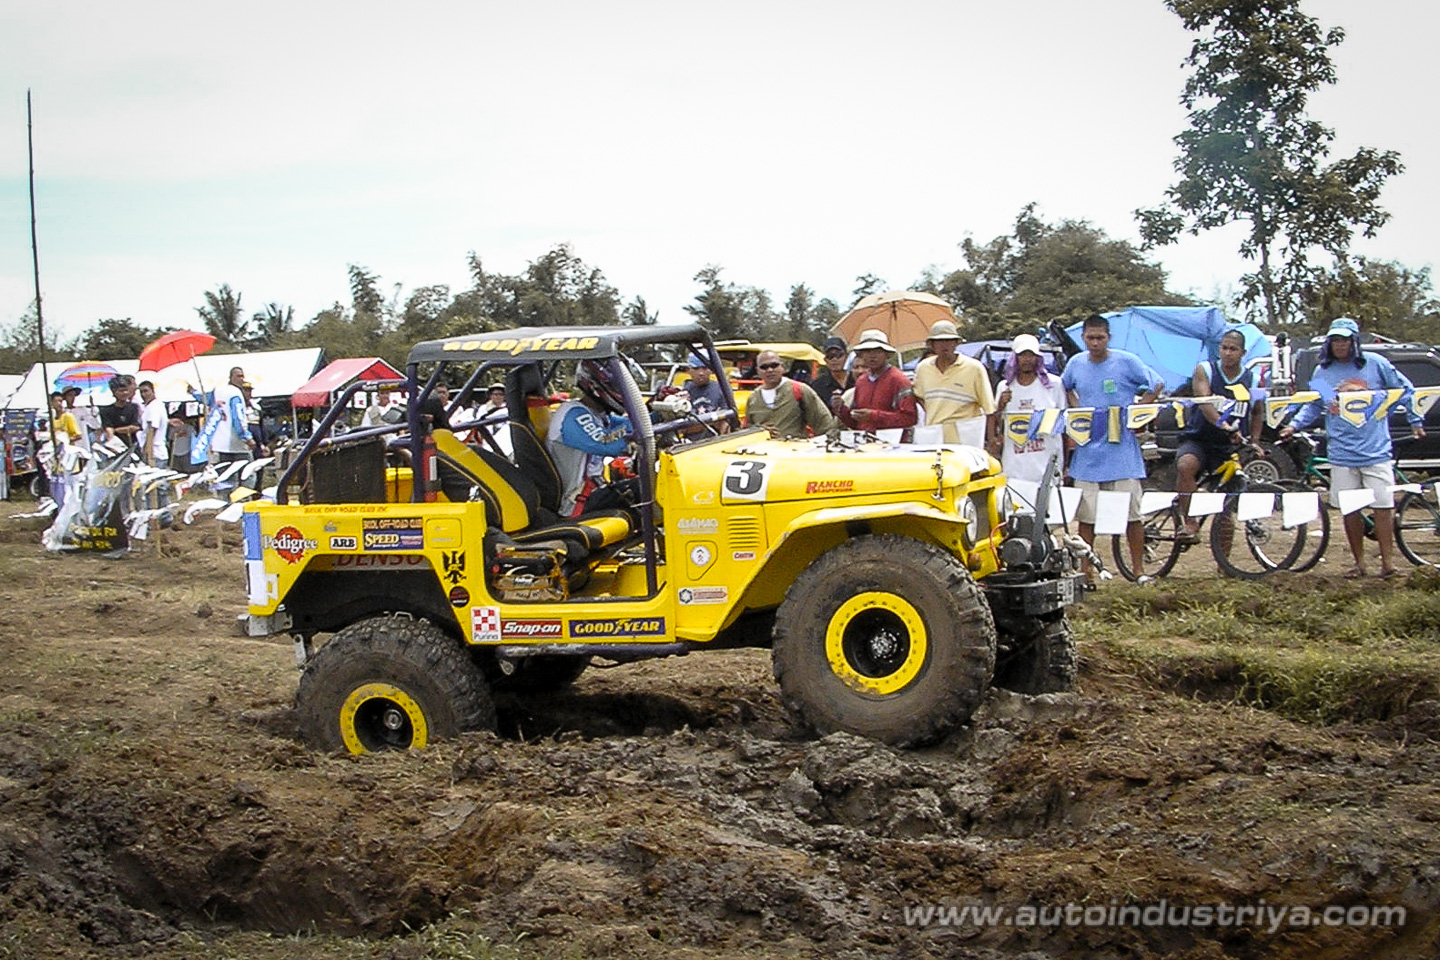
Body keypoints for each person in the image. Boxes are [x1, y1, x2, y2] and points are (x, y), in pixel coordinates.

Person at [1280, 317, 1425, 579]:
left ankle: (1388, 563)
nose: (1340, 345)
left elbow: (1405, 389)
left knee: (1383, 507)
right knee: (1350, 509)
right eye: (1335, 340)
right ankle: (1359, 563)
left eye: (1344, 340)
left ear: (1354, 342)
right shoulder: (1322, 372)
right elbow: (1315, 404)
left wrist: (1412, 419)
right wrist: (1294, 425)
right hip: (1342, 452)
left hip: (1375, 449)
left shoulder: (1376, 364)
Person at [1062, 314, 1166, 585]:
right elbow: (1065, 387)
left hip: (1122, 453)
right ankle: (1086, 572)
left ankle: (1138, 570)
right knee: (1087, 519)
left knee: (1132, 516)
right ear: (1083, 338)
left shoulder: (1127, 361)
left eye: (1100, 338)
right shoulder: (1075, 363)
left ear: (1109, 338)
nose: (1095, 343)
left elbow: (1156, 384)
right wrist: (1077, 410)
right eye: (1090, 338)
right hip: (1087, 454)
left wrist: (1138, 412)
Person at [1175, 329, 1265, 542]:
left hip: (1229, 446)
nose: (1228, 353)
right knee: (1186, 466)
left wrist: (1255, 441)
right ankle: (1189, 522)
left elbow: (1258, 411)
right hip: (1199, 438)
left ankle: (1223, 559)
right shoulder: (1204, 370)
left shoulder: (1253, 380)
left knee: (1226, 508)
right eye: (1224, 348)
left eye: (1233, 349)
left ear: (1243, 353)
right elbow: (1204, 402)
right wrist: (1223, 425)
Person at [547, 360, 640, 517]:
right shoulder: (574, 414)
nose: (623, 392)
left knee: (653, 482)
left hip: (595, 491)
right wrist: (637, 427)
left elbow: (632, 422)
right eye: (618, 387)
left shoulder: (596, 414)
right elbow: (606, 443)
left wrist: (658, 408)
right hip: (576, 501)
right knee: (650, 485)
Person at [989, 334, 1068, 484]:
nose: (1027, 359)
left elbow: (1063, 425)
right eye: (1022, 355)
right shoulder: (1005, 387)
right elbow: (997, 422)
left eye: (1031, 355)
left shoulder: (1053, 384)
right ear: (1015, 358)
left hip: (1046, 463)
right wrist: (1001, 405)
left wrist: (1065, 464)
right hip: (1015, 466)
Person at [911, 319, 995, 447]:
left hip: (965, 437)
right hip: (934, 436)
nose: (944, 345)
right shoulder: (923, 368)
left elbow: (989, 409)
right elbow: (919, 397)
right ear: (932, 345)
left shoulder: (974, 368)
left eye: (949, 340)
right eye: (939, 341)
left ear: (956, 343)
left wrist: (992, 440)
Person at [832, 329, 918, 437]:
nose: (872, 356)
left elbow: (910, 419)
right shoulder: (861, 382)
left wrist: (873, 416)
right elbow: (856, 423)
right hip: (865, 441)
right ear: (861, 355)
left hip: (892, 442)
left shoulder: (899, 380)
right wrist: (842, 410)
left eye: (877, 351)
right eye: (867, 351)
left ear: (886, 354)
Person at [744, 349, 832, 439]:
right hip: (761, 447)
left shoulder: (799, 390)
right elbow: (746, 430)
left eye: (774, 365)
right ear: (757, 371)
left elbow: (824, 423)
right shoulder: (753, 398)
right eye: (764, 367)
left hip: (795, 446)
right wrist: (759, 430)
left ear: (782, 367)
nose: (770, 370)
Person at [206, 366, 257, 490]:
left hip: (221, 444)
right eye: (239, 376)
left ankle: (226, 500)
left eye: (242, 376)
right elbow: (238, 418)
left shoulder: (218, 391)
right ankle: (243, 499)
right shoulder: (235, 394)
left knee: (226, 478)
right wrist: (247, 437)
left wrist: (193, 392)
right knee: (247, 475)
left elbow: (206, 399)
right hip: (237, 444)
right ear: (231, 377)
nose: (241, 379)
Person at [44, 391, 83, 509]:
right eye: (56, 401)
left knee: (69, 486)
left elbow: (78, 435)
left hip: (68, 455)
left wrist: (65, 440)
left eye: (61, 401)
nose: (59, 404)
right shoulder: (52, 419)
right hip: (56, 456)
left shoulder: (68, 416)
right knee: (57, 483)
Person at [99, 375, 143, 449]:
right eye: (121, 391)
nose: (124, 393)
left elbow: (135, 427)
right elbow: (109, 429)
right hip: (116, 446)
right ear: (114, 392)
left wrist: (115, 430)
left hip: (133, 445)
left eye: (126, 390)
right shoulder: (106, 411)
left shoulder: (134, 407)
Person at [811, 336, 854, 411]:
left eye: (839, 355)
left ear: (846, 356)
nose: (834, 359)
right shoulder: (817, 385)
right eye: (830, 356)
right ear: (825, 360)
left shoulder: (857, 380)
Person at [137, 380, 170, 469]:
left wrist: (148, 454)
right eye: (141, 392)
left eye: (146, 391)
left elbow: (151, 431)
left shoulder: (154, 407)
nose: (143, 394)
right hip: (154, 453)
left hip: (155, 454)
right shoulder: (150, 406)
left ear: (153, 391)